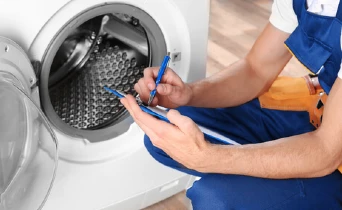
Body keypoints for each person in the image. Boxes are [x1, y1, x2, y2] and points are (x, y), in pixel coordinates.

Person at [121, 0, 342, 209]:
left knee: (217, 200)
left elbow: (327, 151)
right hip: (322, 105)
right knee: (165, 135)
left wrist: (209, 158)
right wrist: (189, 93)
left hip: (331, 152)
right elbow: (256, 69)